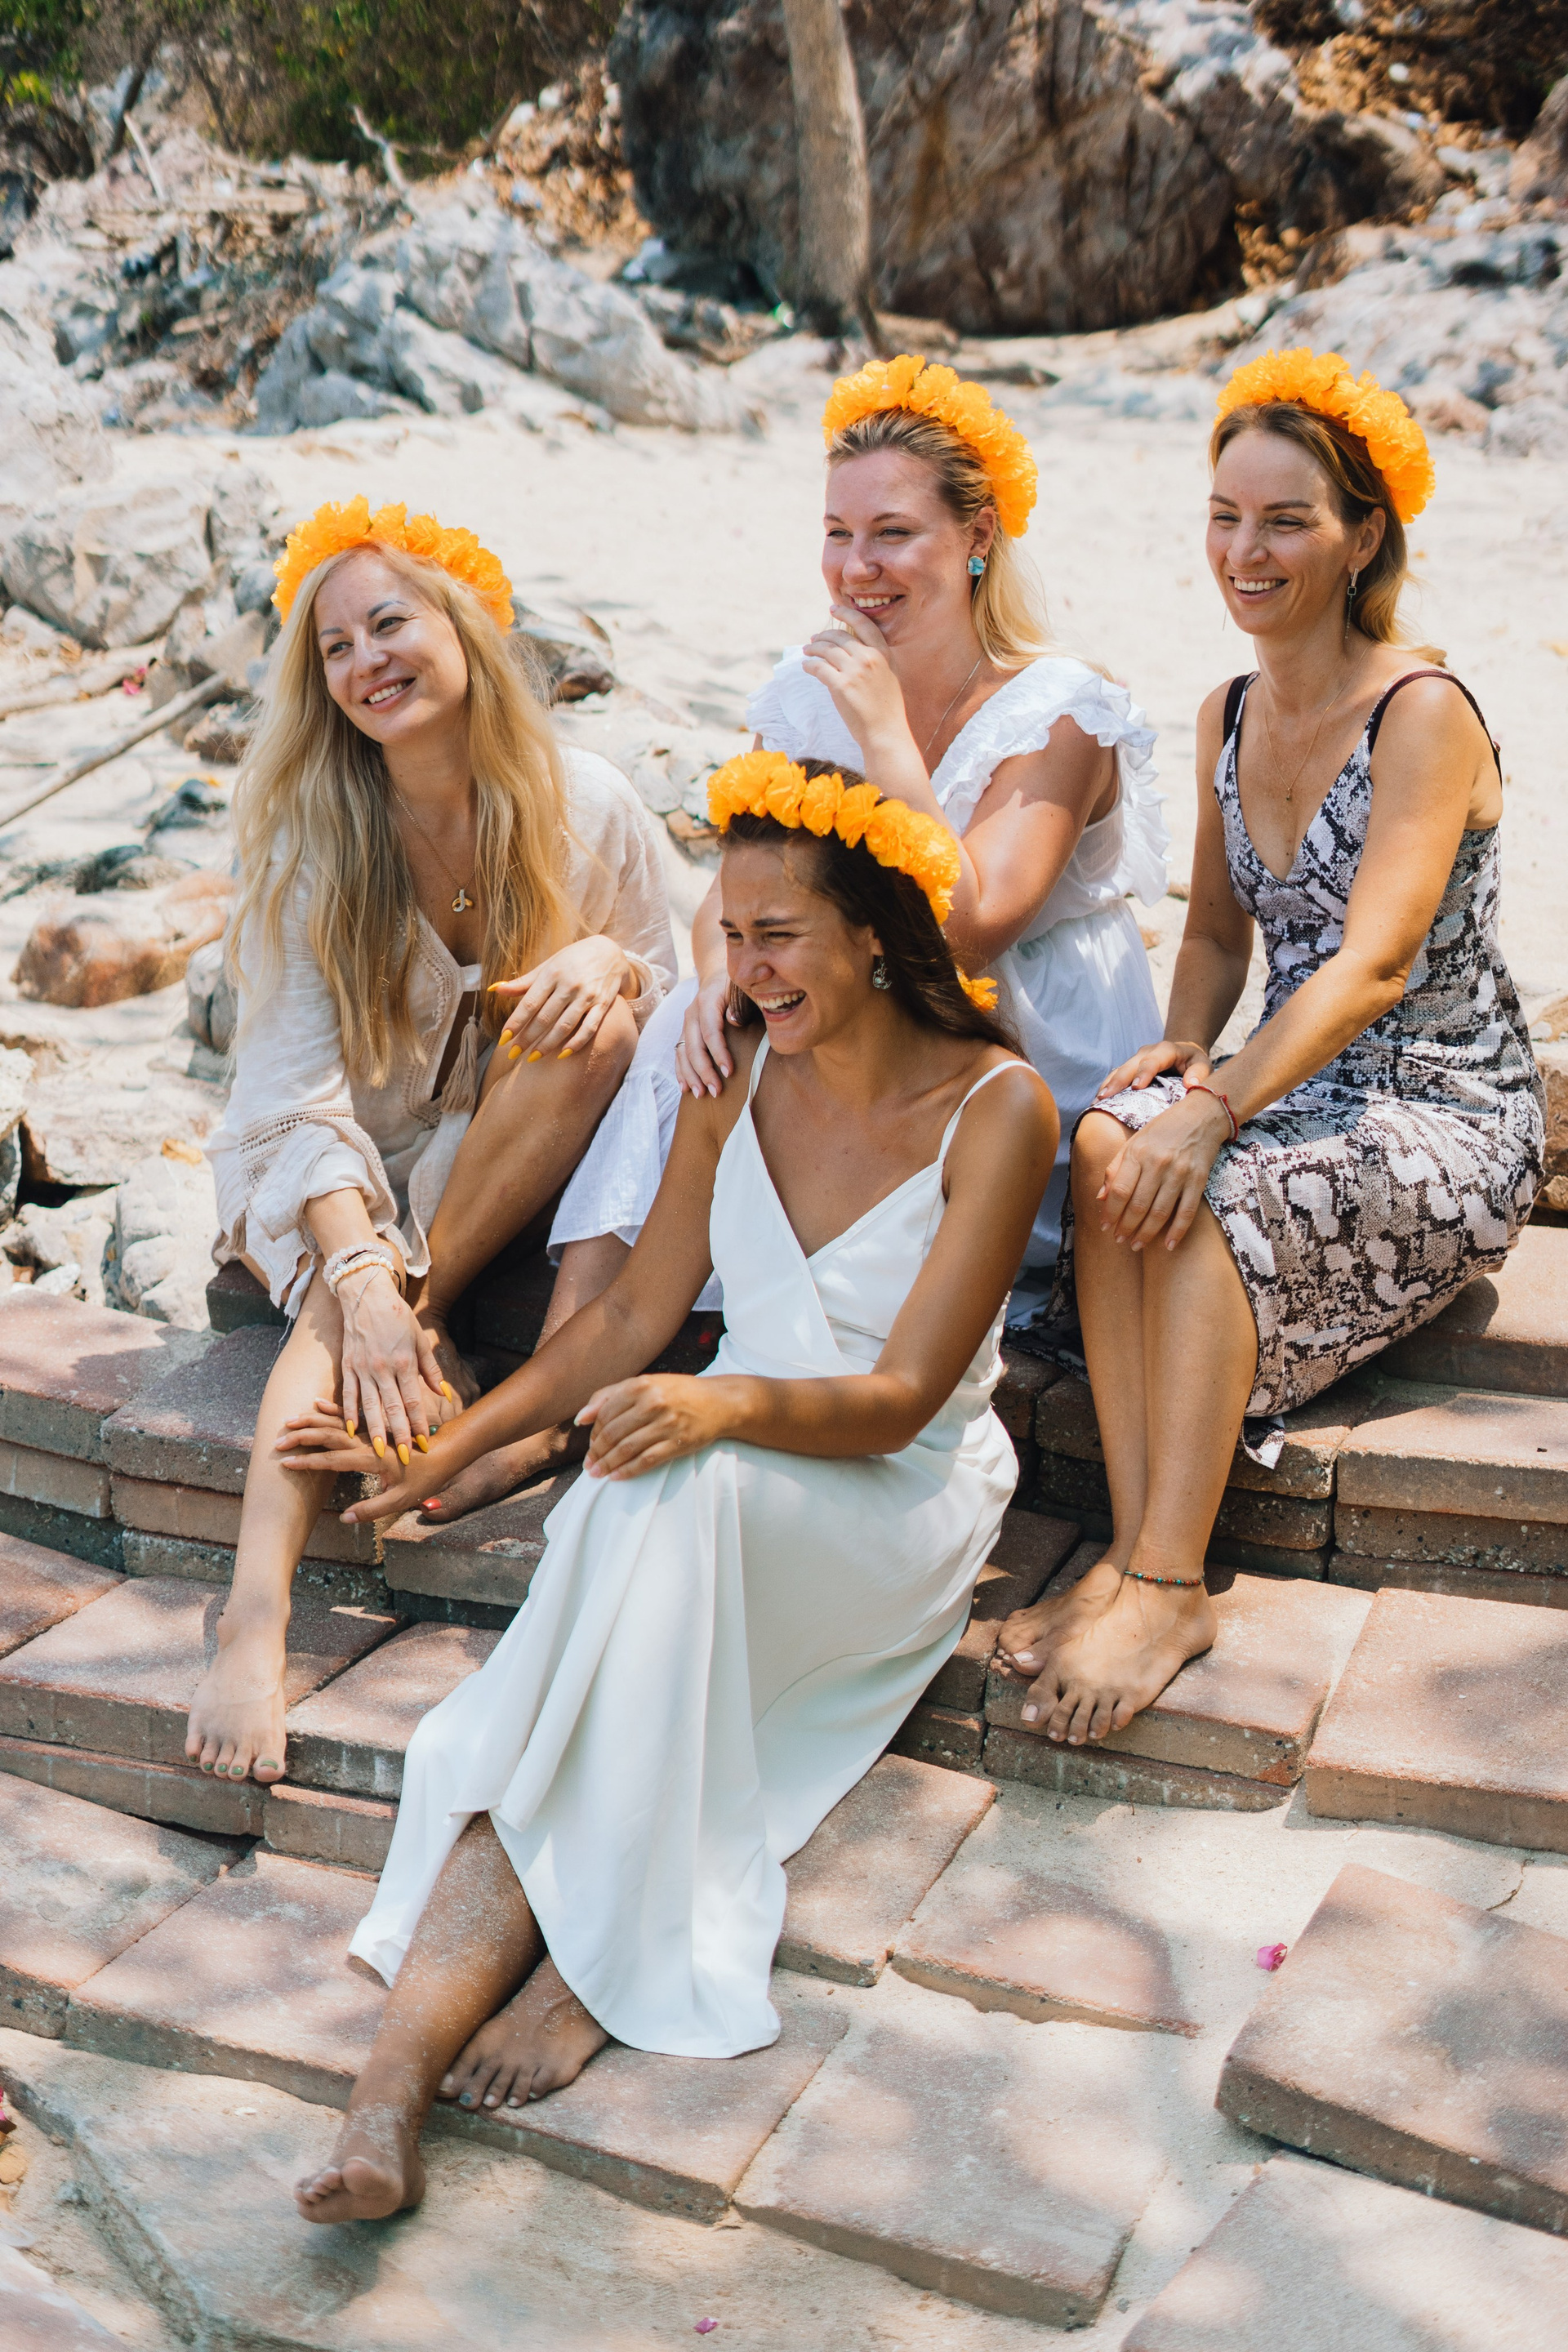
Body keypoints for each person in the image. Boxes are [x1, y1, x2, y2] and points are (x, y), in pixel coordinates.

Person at [274, 751, 1056, 2223]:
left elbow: (903, 1402)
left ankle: (555, 1989)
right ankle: (387, 2100)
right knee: (638, 1528)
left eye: (781, 936)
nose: (746, 970)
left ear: (874, 936)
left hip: (892, 1490)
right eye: (731, 933)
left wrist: (718, 1404)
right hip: (712, 1461)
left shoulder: (999, 1108)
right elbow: (634, 1316)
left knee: (655, 1502)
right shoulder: (733, 1066)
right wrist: (456, 1445)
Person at [423, 354, 1165, 1522]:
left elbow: (973, 927)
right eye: (837, 534)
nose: (857, 568)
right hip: (862, 1012)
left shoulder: (1060, 707)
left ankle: (639, 1390)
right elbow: (746, 884)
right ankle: (557, 1404)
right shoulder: (809, 687)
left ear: (978, 536)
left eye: (894, 535)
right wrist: (717, 979)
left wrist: (885, 732)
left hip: (1017, 1063)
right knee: (686, 1030)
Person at [993, 348, 1545, 1751]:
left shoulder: (1425, 713)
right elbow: (1215, 932)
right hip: (1302, 1078)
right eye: (1226, 516)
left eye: (1287, 520)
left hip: (1443, 1104)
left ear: (1363, 537)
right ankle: (1137, 1550)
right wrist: (1185, 1051)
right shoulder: (1228, 713)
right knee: (1108, 1139)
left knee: (1210, 1188)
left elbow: (1372, 966)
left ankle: (1171, 1585)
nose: (1246, 550)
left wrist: (1221, 1105)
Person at [186, 497, 676, 1788]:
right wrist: (363, 1283)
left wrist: (610, 962)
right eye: (334, 649)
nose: (366, 663)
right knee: (353, 1291)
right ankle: (253, 1620)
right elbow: (291, 1099)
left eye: (388, 624)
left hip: (518, 1140)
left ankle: (429, 1312)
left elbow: (684, 1007)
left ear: (465, 626)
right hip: (334, 1156)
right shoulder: (313, 835)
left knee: (602, 1023)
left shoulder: (586, 803)